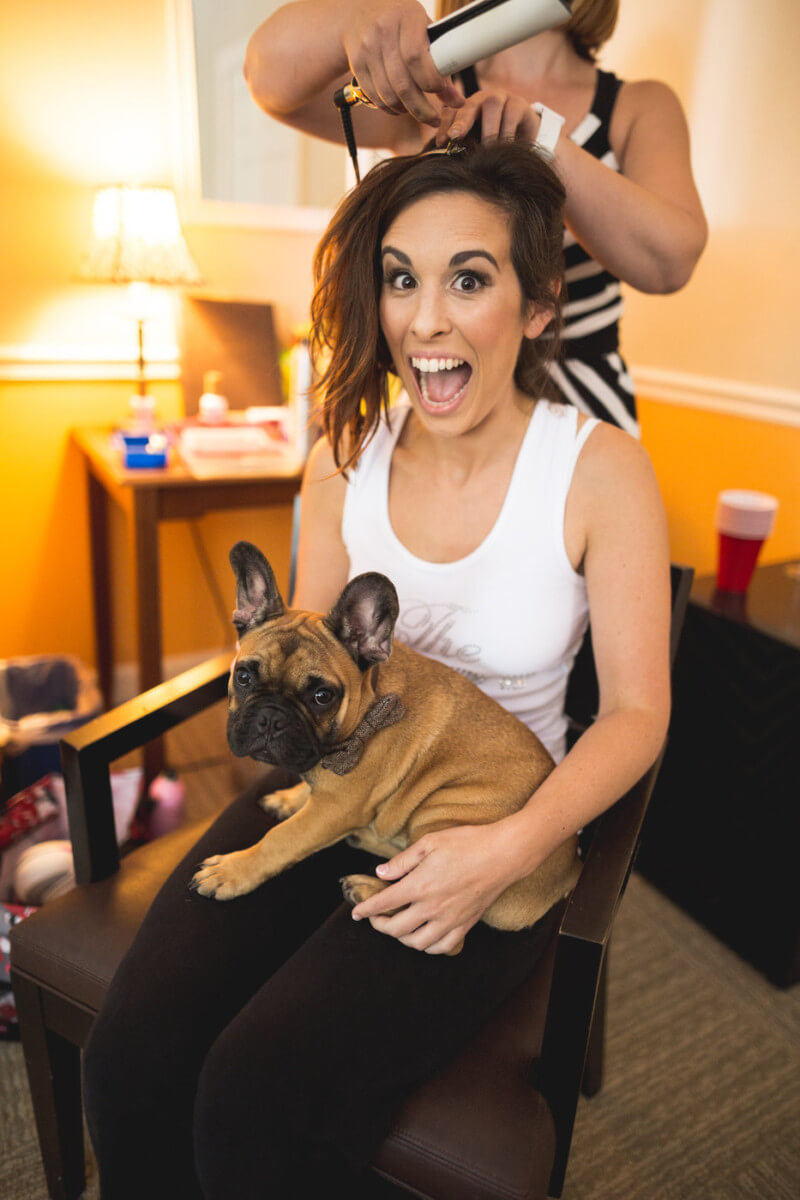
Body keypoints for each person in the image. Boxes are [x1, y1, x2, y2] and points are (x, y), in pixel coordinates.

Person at [82, 140, 671, 1199]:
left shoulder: (596, 470)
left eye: (468, 278)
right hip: (331, 794)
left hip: (480, 828)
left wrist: (503, 849)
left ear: (538, 306)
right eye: (400, 277)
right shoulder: (342, 453)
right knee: (131, 1052)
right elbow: (308, 666)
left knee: (251, 1095)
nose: (424, 319)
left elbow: (634, 714)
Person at [244, 0, 708, 435]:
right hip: (449, 402)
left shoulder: (637, 108)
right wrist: (353, 17)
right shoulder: (425, 92)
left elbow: (670, 261)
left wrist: (543, 142)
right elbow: (268, 77)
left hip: (582, 411)